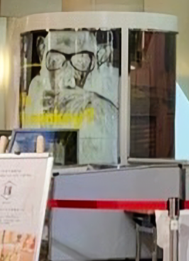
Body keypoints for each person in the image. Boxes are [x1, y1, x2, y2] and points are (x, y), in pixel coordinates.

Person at [22, 29, 119, 165]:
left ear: (100, 56)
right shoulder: (36, 92)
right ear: (41, 50)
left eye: (81, 62)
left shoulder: (102, 103)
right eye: (56, 60)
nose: (70, 81)